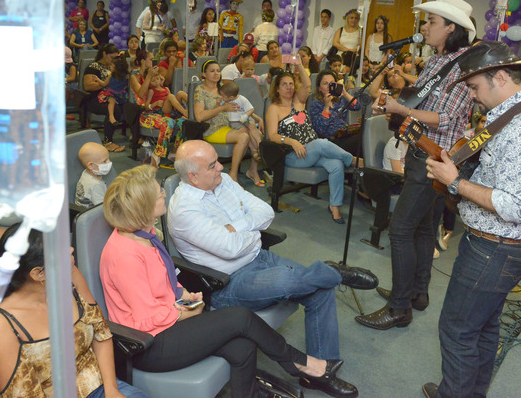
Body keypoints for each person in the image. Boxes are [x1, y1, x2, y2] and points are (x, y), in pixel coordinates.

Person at [99, 164, 345, 398]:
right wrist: (185, 313)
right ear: (142, 206)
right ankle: (301, 363)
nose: (164, 192)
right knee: (240, 317)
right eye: (158, 192)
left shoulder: (146, 234)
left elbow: (164, 281)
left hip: (167, 324)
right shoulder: (125, 255)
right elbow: (144, 320)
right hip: (150, 345)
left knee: (243, 348)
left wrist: (185, 295)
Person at [168, 140, 367, 398]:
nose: (221, 167)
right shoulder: (184, 209)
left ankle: (320, 373)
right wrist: (252, 231)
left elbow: (265, 211)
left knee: (320, 288)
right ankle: (335, 273)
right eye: (212, 165)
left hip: (259, 257)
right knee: (293, 278)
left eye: (217, 161)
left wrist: (236, 228)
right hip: (228, 281)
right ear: (193, 176)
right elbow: (230, 249)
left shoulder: (222, 181)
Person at [418, 42, 521, 398]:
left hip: (495, 249)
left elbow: (518, 207)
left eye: (474, 87)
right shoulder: (511, 114)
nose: (471, 96)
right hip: (496, 246)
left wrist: (455, 182)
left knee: (457, 330)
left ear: (499, 77)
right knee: (482, 327)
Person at [356, 0, 474, 331]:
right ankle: (416, 293)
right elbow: (419, 101)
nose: (425, 26)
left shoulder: (462, 67)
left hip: (434, 158)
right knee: (423, 227)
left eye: (432, 21)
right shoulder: (438, 61)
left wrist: (403, 110)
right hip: (420, 151)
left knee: (400, 229)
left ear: (451, 28)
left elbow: (446, 118)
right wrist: (392, 107)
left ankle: (399, 308)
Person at [0, 226, 147, 398]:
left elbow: (100, 333)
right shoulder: (0, 326)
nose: (71, 249)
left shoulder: (70, 275)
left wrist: (111, 389)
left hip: (99, 385)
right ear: (38, 274)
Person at [265, 61, 355, 224]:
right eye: (284, 84)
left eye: (291, 84)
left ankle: (334, 206)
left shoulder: (298, 102)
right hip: (294, 154)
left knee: (336, 165)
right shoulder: (273, 108)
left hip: (312, 151)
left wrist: (299, 64)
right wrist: (292, 142)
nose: (289, 87)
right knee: (320, 143)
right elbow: (272, 135)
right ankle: (353, 160)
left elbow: (307, 84)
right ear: (277, 88)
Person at [193, 60, 261, 183]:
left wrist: (257, 118)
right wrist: (222, 108)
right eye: (212, 71)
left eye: (218, 71)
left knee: (254, 131)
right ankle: (233, 175)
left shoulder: (223, 88)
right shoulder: (200, 90)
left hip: (231, 124)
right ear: (204, 74)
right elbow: (199, 117)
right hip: (213, 128)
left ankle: (253, 170)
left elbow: (240, 104)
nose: (216, 73)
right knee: (244, 136)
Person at [129, 50, 184, 168]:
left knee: (183, 121)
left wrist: (160, 80)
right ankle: (157, 156)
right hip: (145, 113)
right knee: (168, 122)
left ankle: (175, 151)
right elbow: (141, 94)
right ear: (143, 61)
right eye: (150, 59)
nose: (153, 61)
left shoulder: (154, 75)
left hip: (161, 110)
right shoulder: (135, 77)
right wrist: (149, 76)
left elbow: (163, 87)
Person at [83, 44, 125, 153]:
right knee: (115, 109)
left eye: (115, 58)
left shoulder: (115, 66)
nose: (113, 60)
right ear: (104, 54)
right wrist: (107, 84)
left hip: (113, 96)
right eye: (111, 57)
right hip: (96, 98)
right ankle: (108, 142)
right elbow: (87, 86)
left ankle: (137, 138)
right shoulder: (93, 67)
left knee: (129, 106)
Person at [309, 70, 361, 155]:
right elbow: (320, 129)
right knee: (360, 140)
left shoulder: (340, 100)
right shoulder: (316, 104)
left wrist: (345, 93)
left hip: (345, 134)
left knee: (364, 135)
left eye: (332, 83)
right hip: (331, 140)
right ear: (319, 88)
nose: (329, 86)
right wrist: (326, 107)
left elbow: (357, 106)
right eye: (325, 83)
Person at [74, 142, 112, 209]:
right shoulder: (95, 185)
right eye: (104, 161)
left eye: (108, 159)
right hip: (93, 212)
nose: (109, 162)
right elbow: (102, 208)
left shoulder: (86, 173)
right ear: (91, 165)